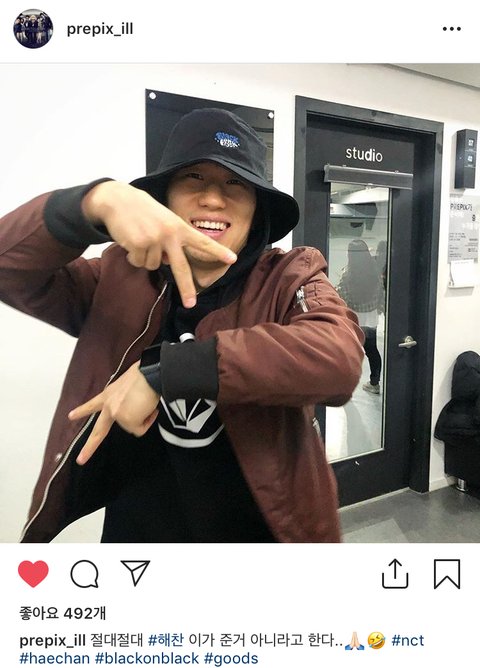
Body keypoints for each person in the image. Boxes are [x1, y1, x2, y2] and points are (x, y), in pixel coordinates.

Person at [0, 108, 364, 543]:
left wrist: (164, 372)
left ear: (257, 208)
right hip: (137, 540)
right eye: (193, 177)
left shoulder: (289, 276)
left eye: (235, 183)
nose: (213, 199)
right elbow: (8, 267)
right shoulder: (115, 278)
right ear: (164, 198)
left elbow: (338, 358)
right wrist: (92, 202)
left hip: (262, 538)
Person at [336, 239, 383, 395]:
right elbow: (381, 292)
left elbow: (342, 296)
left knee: (349, 351)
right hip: (370, 318)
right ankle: (375, 383)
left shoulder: (348, 275)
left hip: (353, 319)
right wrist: (378, 307)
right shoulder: (375, 271)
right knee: (372, 350)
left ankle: (345, 385)